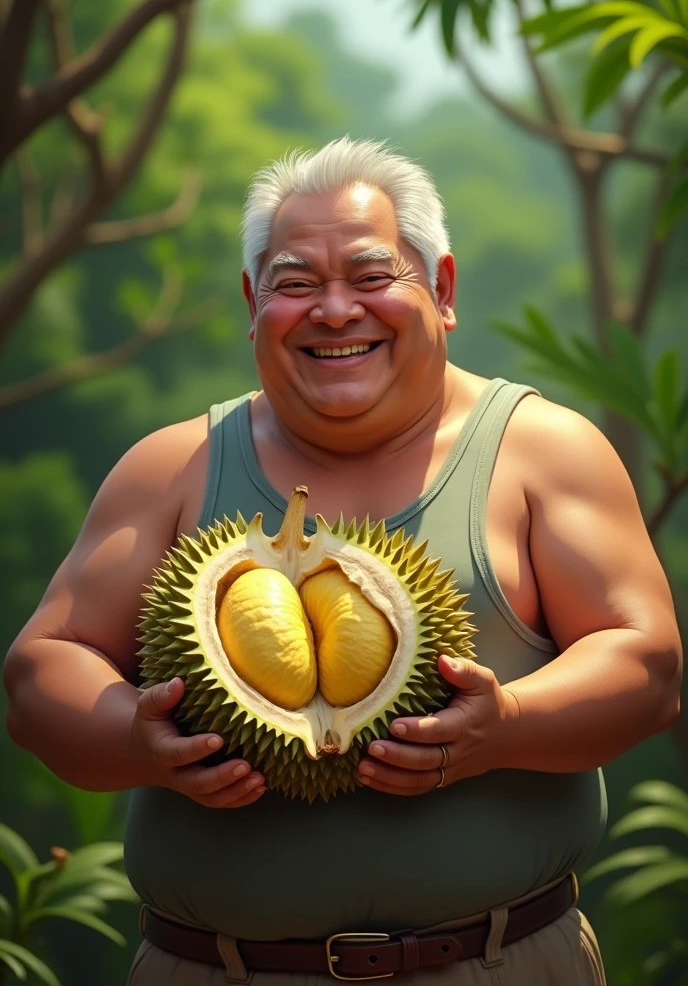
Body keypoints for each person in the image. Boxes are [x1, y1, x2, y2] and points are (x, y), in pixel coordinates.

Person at [3, 136, 682, 986]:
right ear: (253, 302)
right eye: (295, 284)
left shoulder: (545, 452)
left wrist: (505, 725)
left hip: (501, 961)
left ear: (441, 291)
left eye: (370, 277)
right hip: (212, 969)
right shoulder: (170, 468)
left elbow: (649, 665)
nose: (334, 311)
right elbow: (40, 671)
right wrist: (136, 740)